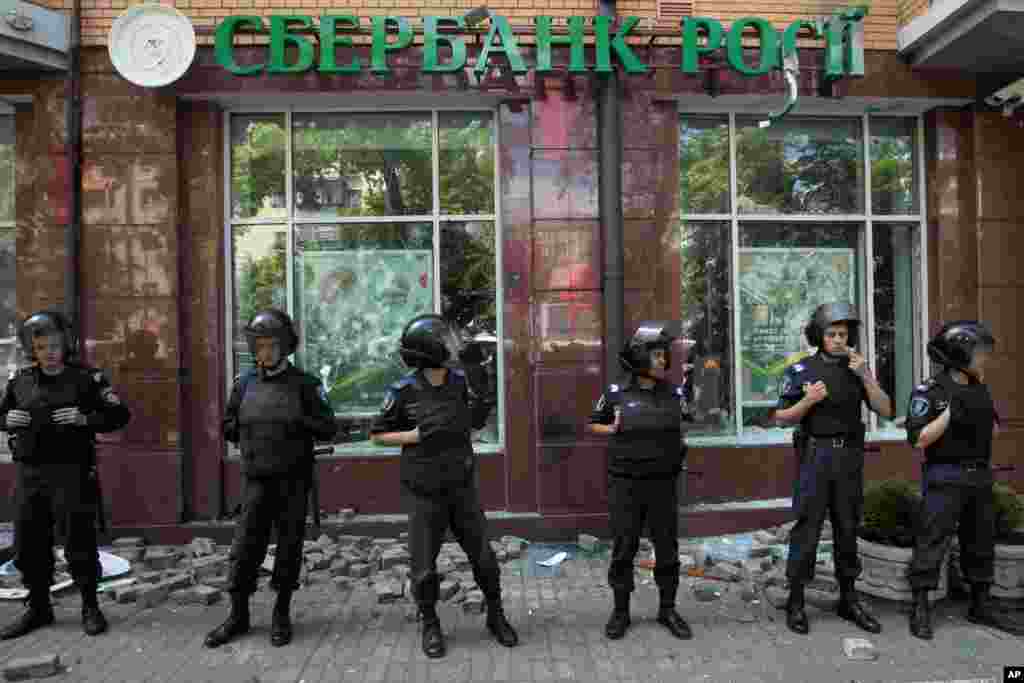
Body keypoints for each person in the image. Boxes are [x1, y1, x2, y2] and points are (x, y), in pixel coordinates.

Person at [370, 314, 518, 659]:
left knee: (484, 558)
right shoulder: (403, 391)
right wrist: (411, 436)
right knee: (424, 569)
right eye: (444, 341)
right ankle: (430, 622)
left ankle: (495, 616)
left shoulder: (460, 382)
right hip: (424, 492)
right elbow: (377, 434)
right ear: (428, 351)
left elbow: (478, 420)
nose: (452, 346)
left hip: (461, 488)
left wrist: (481, 387)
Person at [205, 308, 337, 649]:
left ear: (285, 347)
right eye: (259, 345)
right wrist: (247, 432)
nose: (265, 352)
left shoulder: (306, 385)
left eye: (271, 345)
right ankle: (238, 614)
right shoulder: (244, 384)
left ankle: (281, 613)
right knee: (245, 548)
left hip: (293, 482)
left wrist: (299, 420)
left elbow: (328, 428)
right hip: (256, 481)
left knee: (289, 549)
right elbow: (228, 426)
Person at [0, 310, 131, 639]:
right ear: (32, 348)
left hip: (72, 473)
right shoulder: (20, 380)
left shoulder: (87, 379)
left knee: (79, 542)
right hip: (30, 473)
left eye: (55, 345)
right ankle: (39, 607)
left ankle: (90, 606)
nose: (49, 352)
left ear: (66, 344)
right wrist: (7, 420)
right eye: (42, 346)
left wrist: (84, 418)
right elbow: (2, 414)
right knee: (29, 544)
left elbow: (118, 415)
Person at [774, 303, 893, 635]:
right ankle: (796, 600)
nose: (839, 340)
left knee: (847, 527)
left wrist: (866, 375)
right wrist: (807, 401)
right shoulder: (800, 371)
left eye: (844, 334)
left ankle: (849, 599)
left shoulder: (857, 370)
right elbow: (780, 417)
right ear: (819, 336)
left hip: (849, 459)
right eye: (832, 334)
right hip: (815, 457)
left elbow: (885, 409)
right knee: (807, 529)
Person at [905, 321, 1023, 639]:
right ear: (959, 354)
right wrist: (951, 413)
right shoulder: (930, 390)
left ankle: (980, 605)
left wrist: (978, 405)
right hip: (945, 474)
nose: (984, 358)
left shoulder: (979, 387)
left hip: (979, 474)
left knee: (981, 541)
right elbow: (918, 439)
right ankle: (920, 605)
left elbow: (994, 430)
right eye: (979, 352)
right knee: (932, 541)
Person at [587, 321, 693, 641]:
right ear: (640, 357)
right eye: (657, 355)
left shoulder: (675, 393)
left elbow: (686, 424)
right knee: (624, 549)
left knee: (667, 550)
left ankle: (668, 609)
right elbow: (594, 424)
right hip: (626, 485)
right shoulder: (616, 393)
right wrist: (613, 429)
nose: (663, 361)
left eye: (665, 356)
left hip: (663, 484)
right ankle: (620, 612)